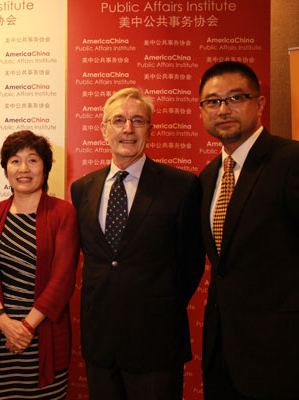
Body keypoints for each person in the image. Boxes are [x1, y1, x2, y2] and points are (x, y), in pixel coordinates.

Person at [70, 88, 204, 400]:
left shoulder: (181, 186)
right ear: (104, 130)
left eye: (138, 121)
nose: (127, 129)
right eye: (118, 120)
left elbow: (191, 263)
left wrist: (158, 305)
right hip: (101, 344)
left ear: (150, 130)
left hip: (156, 342)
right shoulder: (82, 189)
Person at [198, 61, 299, 399]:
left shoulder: (290, 160)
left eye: (236, 97)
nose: (223, 109)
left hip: (281, 351)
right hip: (222, 349)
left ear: (260, 103)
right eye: (213, 101)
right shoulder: (209, 175)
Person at [0, 130, 80, 399]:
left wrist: (26, 328)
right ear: (5, 168)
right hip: (1, 337)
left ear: (45, 168)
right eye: (15, 160)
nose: (23, 169)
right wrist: (4, 323)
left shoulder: (62, 213)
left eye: (32, 160)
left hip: (43, 335)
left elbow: (62, 280)